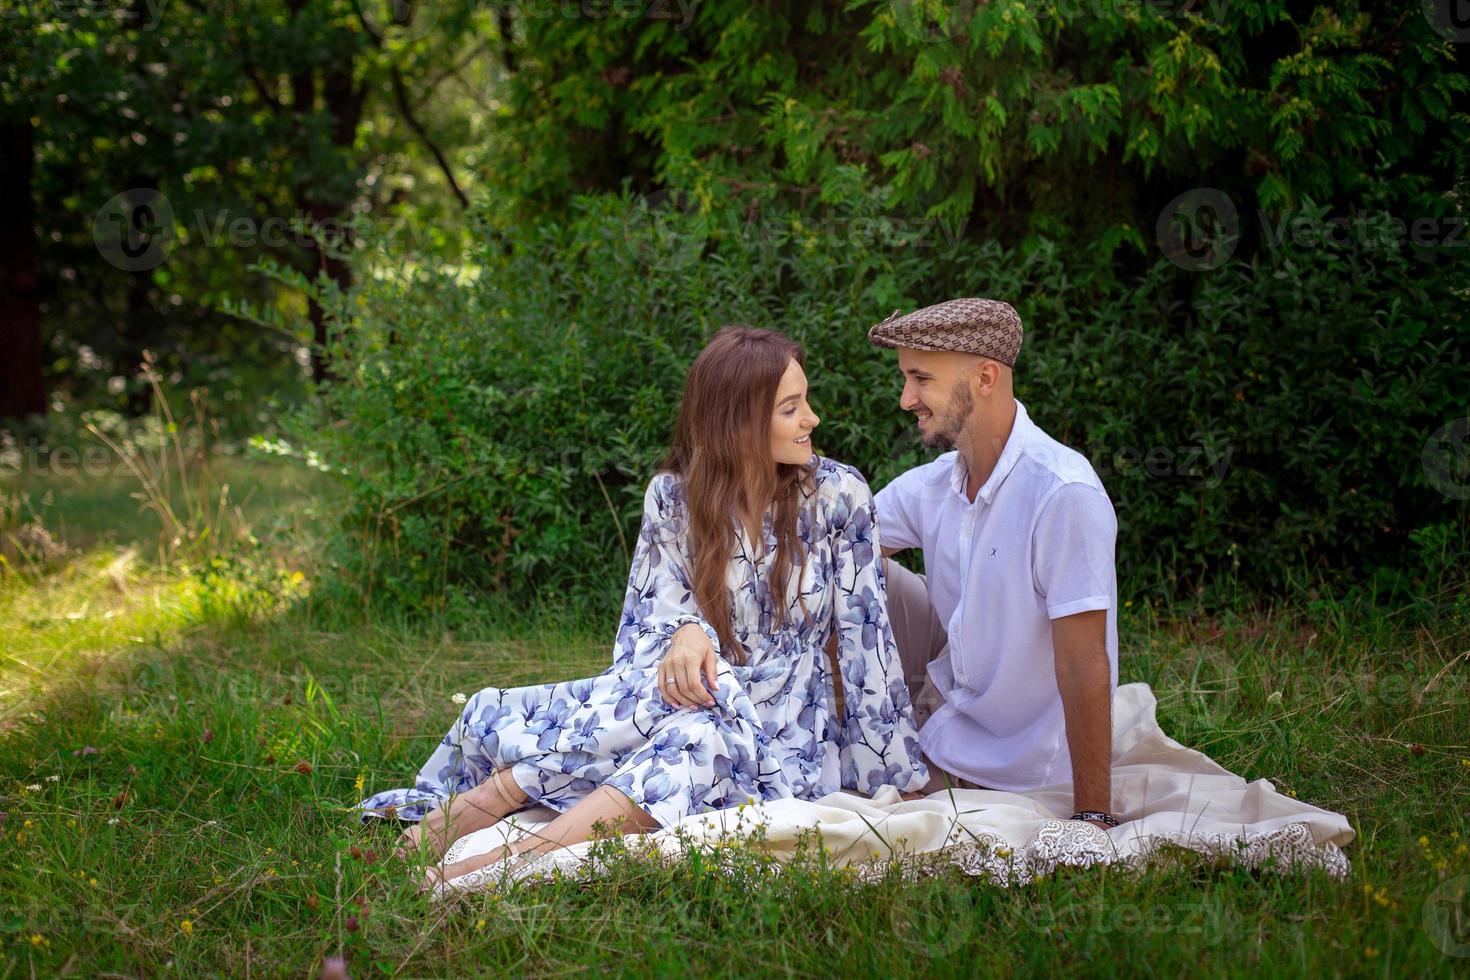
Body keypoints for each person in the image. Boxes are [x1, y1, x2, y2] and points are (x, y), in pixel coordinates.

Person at [358, 326, 928, 887]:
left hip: (786, 729)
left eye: (805, 403)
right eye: (791, 408)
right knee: (694, 720)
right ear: (739, 423)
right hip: (687, 699)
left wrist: (894, 776)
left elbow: (867, 646)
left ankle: (502, 846)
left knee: (699, 733)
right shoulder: (674, 497)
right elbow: (641, 632)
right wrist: (685, 630)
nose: (813, 420)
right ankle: (489, 808)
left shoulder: (838, 495)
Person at [868, 298, 1121, 830]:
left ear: (985, 377)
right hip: (949, 726)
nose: (905, 399)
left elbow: (1083, 666)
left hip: (1025, 765)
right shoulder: (937, 483)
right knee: (854, 567)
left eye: (920, 379)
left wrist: (1093, 814)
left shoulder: (1062, 494)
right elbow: (828, 539)